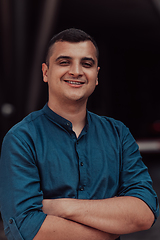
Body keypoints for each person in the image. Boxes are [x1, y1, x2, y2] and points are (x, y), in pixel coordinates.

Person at [0, 28, 159, 240]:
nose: (76, 71)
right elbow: (26, 227)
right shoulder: (21, 138)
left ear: (97, 76)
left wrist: (62, 207)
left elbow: (144, 212)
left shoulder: (118, 134)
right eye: (64, 62)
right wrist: (109, 230)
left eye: (87, 63)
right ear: (45, 72)